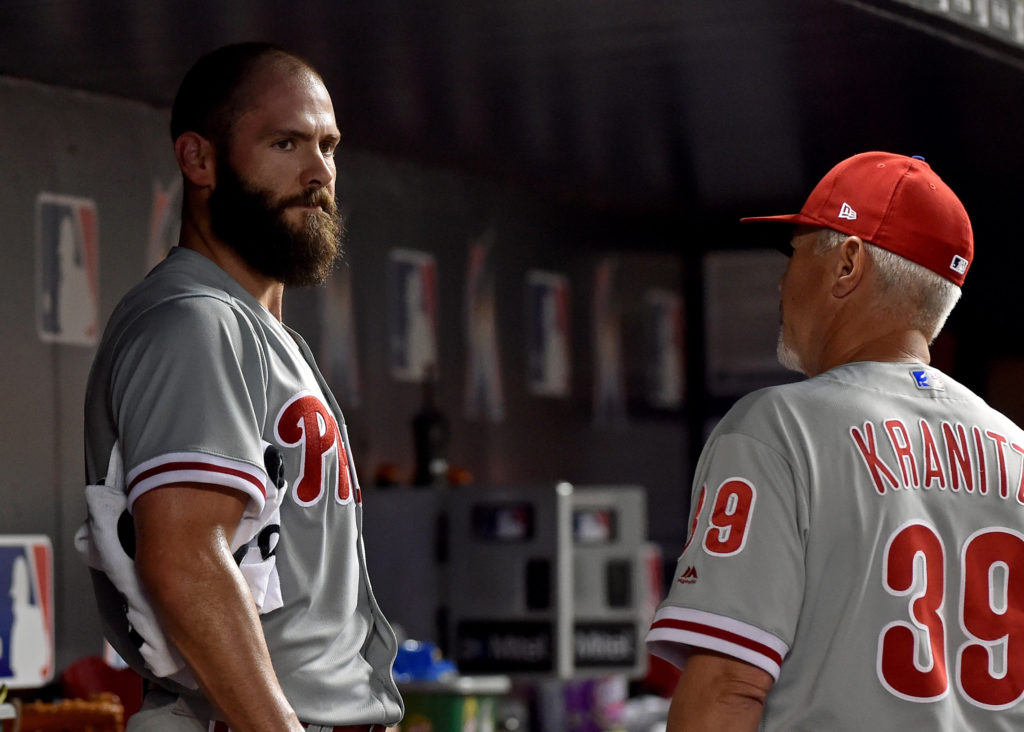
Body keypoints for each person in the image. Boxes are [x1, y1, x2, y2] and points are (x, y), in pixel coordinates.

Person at [78, 43, 402, 732]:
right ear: (198, 159)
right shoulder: (197, 323)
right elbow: (186, 558)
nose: (319, 172)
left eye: (328, 146)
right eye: (285, 143)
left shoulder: (256, 332)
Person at [646, 151, 1024, 730]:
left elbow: (728, 687)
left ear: (847, 263)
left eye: (796, 254)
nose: (782, 282)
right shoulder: (1016, 449)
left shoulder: (778, 428)